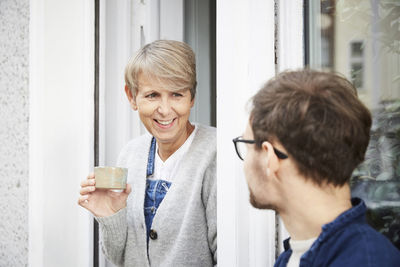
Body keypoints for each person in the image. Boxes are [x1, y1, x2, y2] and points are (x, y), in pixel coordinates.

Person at [233, 70, 400, 266]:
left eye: (247, 147)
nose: (245, 164)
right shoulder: (292, 258)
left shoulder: (365, 261)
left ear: (271, 158)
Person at [78, 40, 216, 266]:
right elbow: (118, 257)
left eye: (177, 95)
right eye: (152, 95)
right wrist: (110, 215)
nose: (164, 109)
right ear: (132, 97)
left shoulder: (214, 153)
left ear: (192, 97)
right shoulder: (130, 154)